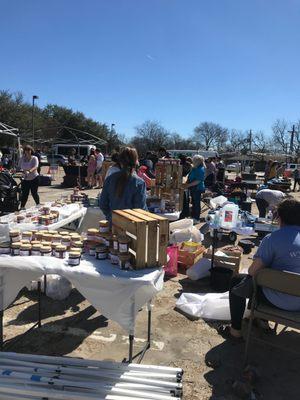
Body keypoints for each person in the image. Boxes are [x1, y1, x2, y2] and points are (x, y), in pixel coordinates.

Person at [223, 198, 300, 339]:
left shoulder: (272, 239)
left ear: (279, 218)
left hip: (276, 299)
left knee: (238, 281)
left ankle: (235, 331)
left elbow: (253, 271)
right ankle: (262, 320)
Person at [99, 147, 147, 222]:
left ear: (120, 161)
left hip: (114, 224)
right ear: (136, 162)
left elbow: (102, 204)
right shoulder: (139, 183)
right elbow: (141, 209)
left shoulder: (110, 179)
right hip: (133, 227)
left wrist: (111, 217)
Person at [182, 155, 206, 224]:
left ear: (197, 161)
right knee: (194, 203)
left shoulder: (200, 169)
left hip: (197, 188)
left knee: (196, 203)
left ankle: (196, 218)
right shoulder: (195, 168)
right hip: (193, 188)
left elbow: (198, 180)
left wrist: (188, 185)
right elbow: (190, 176)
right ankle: (193, 216)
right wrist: (187, 182)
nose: (192, 161)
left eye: (194, 160)